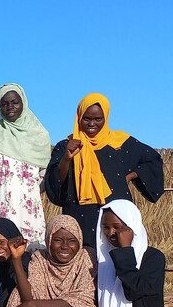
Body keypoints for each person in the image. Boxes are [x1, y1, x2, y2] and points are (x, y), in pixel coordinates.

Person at [45, 93, 164, 246]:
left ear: (106, 117)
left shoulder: (120, 143)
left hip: (115, 216)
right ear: (79, 117)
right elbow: (55, 182)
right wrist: (67, 158)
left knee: (117, 258)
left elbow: (153, 160)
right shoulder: (67, 146)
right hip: (80, 215)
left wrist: (129, 177)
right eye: (86, 118)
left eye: (98, 119)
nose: (92, 124)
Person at [0, 84, 52, 249]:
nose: (10, 107)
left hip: (27, 203)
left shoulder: (39, 135)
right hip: (1, 200)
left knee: (29, 251)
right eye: (4, 104)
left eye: (15, 102)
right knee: (1, 248)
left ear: (23, 103)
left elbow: (43, 174)